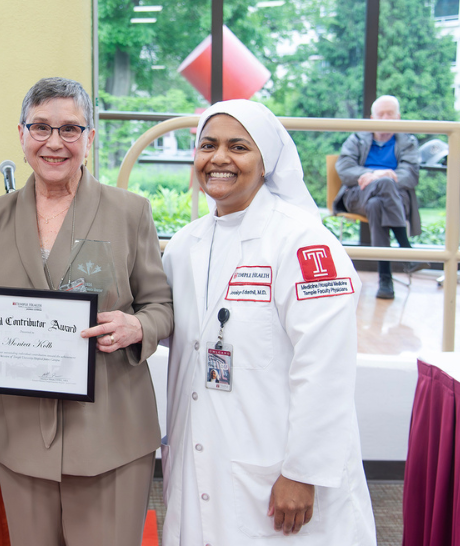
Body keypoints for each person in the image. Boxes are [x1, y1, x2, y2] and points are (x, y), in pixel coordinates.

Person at [0, 77, 173, 546]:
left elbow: (161, 306)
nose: (55, 142)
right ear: (22, 134)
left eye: (70, 129)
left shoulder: (130, 212)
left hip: (111, 431)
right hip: (20, 433)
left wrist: (137, 325)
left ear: (90, 138)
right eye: (41, 128)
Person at [161, 100, 376, 545]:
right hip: (205, 453)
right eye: (207, 145)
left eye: (238, 146)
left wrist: (303, 471)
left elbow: (326, 367)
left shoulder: (303, 243)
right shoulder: (185, 245)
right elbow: (167, 325)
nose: (219, 158)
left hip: (279, 467)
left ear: (266, 163)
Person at [332, 95, 424, 299]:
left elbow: (411, 175)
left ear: (398, 117)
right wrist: (375, 175)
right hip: (357, 196)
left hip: (394, 198)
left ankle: (385, 280)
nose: (385, 118)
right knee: (383, 184)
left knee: (377, 205)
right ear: (371, 116)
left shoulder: (407, 141)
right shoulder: (356, 139)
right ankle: (406, 249)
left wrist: (380, 177)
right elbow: (345, 170)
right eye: (380, 114)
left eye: (389, 114)